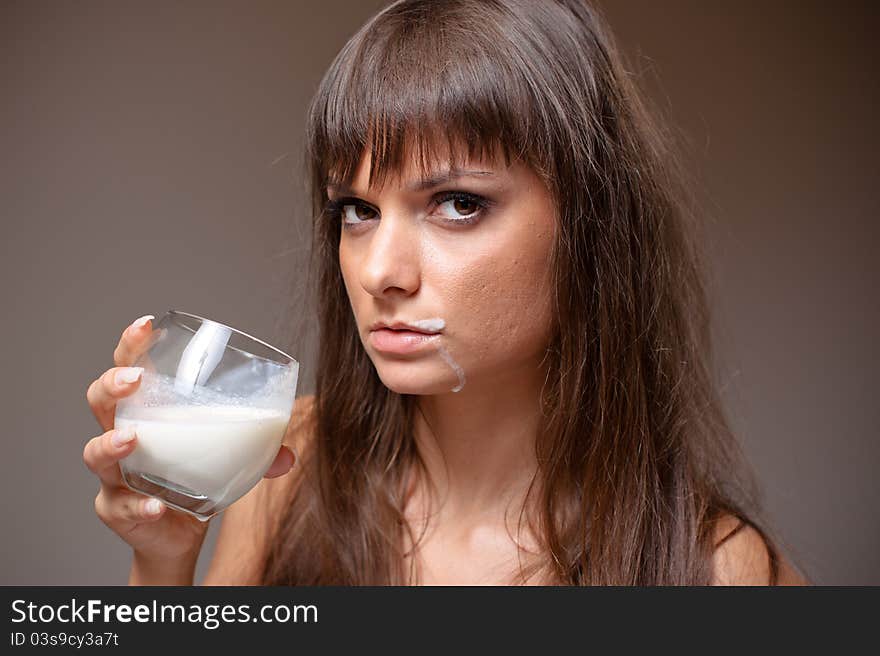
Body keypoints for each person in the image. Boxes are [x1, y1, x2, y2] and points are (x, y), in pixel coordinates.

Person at [84, 0, 806, 585]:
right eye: (357, 211)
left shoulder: (719, 570)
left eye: (458, 203)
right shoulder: (291, 469)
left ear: (592, 226)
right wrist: (164, 558)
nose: (379, 273)